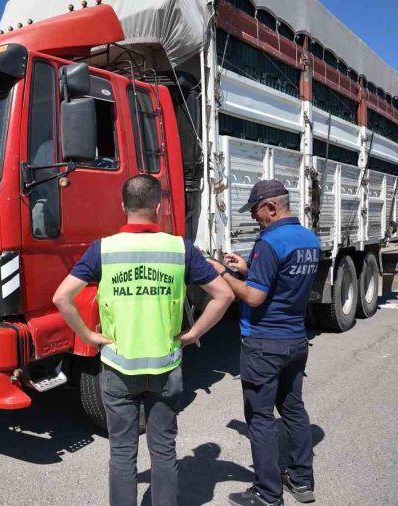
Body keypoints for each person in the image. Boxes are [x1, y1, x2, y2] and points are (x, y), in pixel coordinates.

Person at [53, 174, 234, 506]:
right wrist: (193, 334)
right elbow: (223, 295)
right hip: (165, 366)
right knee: (163, 451)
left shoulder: (103, 249)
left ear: (124, 206)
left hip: (118, 368)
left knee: (122, 453)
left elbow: (62, 297)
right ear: (159, 206)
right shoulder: (180, 248)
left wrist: (89, 336)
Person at [209, 180, 321, 506]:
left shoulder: (270, 242)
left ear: (271, 207)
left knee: (260, 419)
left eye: (256, 211)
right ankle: (301, 481)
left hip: (264, 343)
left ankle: (267, 494)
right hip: (296, 340)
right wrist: (248, 268)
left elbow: (256, 297)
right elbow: (286, 281)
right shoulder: (308, 239)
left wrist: (223, 273)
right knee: (293, 409)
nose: (255, 218)